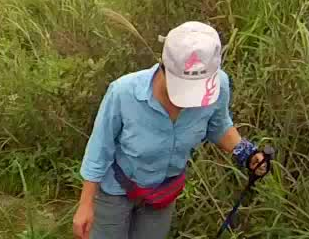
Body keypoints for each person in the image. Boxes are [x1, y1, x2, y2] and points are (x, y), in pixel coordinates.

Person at [73, 21, 270, 239]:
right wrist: (85, 205)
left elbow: (219, 125)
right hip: (116, 190)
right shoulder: (124, 93)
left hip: (163, 192)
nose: (190, 101)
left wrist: (246, 153)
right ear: (163, 67)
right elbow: (100, 148)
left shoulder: (218, 86)